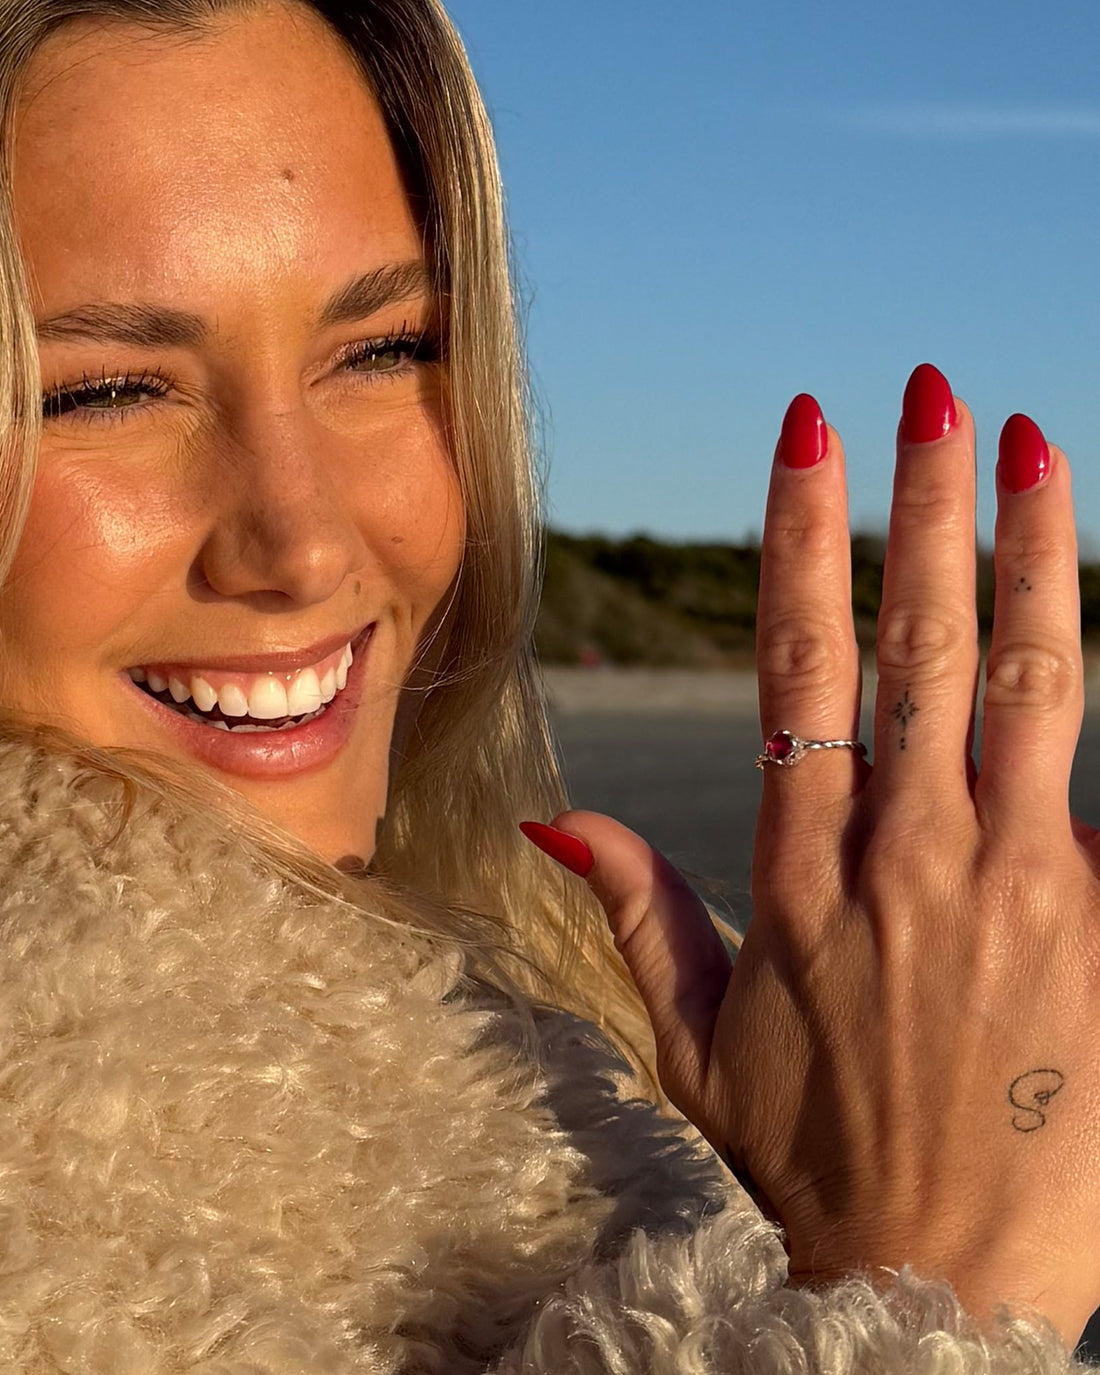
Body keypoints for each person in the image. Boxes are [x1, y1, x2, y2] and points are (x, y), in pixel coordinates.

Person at [0, 0, 1090, 1369]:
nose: (306, 541)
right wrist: (945, 1276)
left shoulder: (533, 992)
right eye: (106, 392)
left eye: (381, 351)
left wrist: (812, 1183)